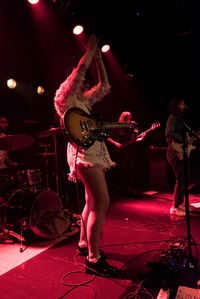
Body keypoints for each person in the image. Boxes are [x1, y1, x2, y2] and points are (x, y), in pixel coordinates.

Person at [54, 34, 119, 277]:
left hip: (93, 153)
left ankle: (84, 244)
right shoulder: (65, 97)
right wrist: (91, 50)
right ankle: (93, 258)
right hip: (84, 155)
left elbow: (104, 85)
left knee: (92, 201)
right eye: (81, 83)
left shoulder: (84, 102)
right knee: (102, 202)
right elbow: (80, 70)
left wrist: (100, 58)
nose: (84, 85)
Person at [107, 111, 146, 197]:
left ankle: (130, 187)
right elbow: (108, 138)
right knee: (122, 169)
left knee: (131, 168)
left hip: (131, 149)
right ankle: (120, 188)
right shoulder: (118, 126)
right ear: (124, 118)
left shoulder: (132, 125)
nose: (130, 119)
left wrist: (141, 138)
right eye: (128, 117)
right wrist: (116, 144)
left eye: (130, 117)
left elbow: (134, 138)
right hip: (122, 150)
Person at [165, 97, 193, 216]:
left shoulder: (181, 119)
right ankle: (175, 207)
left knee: (185, 178)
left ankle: (181, 203)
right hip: (174, 150)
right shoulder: (173, 117)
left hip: (180, 150)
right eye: (181, 104)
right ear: (176, 106)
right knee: (180, 177)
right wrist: (184, 140)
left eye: (183, 103)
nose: (183, 106)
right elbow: (169, 133)